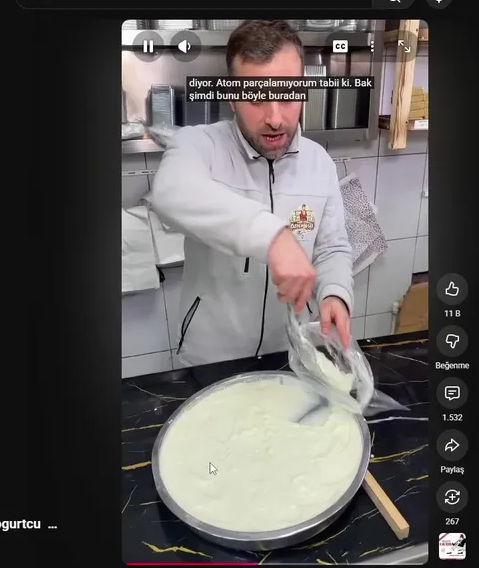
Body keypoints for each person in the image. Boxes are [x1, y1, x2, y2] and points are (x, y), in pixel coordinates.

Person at [149, 20, 354, 367]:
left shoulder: (319, 162)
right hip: (211, 357)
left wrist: (335, 293)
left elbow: (332, 247)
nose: (275, 118)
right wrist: (273, 238)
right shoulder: (199, 145)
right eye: (256, 98)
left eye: (287, 96)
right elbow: (170, 191)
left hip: (292, 353)